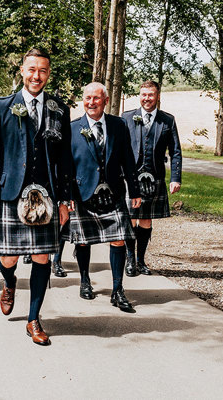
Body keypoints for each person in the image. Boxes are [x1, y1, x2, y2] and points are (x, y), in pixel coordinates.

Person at [0, 48, 72, 345]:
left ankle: (33, 319)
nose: (37, 76)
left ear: (48, 73)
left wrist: (65, 200)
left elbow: (66, 158)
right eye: (32, 69)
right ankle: (9, 283)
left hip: (47, 195)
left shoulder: (60, 108)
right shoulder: (3, 106)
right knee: (8, 258)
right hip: (10, 193)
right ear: (22, 70)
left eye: (43, 70)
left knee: (43, 257)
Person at [66, 82, 141, 312]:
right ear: (83, 100)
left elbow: (128, 158)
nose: (91, 102)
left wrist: (135, 190)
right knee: (83, 240)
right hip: (82, 193)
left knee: (118, 239)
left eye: (96, 98)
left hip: (113, 191)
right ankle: (85, 280)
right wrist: (66, 194)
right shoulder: (72, 128)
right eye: (87, 98)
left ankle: (117, 290)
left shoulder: (118, 125)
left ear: (105, 100)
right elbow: (66, 166)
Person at [122, 80, 182, 276]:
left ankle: (141, 260)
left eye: (151, 95)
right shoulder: (127, 117)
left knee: (146, 220)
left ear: (157, 97)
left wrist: (175, 178)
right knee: (130, 218)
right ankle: (129, 259)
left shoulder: (167, 120)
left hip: (154, 177)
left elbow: (176, 152)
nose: (147, 98)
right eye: (144, 94)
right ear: (140, 96)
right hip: (131, 178)